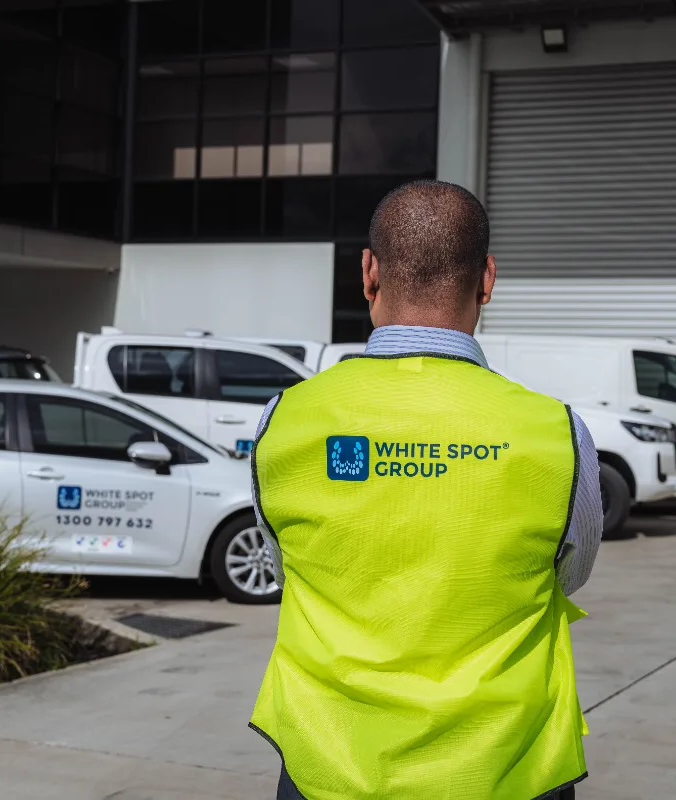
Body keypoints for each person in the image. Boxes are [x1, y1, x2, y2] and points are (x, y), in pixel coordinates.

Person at [249, 180, 602, 800]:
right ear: (487, 280)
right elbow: (569, 574)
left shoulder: (284, 419)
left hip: (328, 766)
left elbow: (285, 565)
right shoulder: (556, 431)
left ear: (368, 273)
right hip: (508, 768)